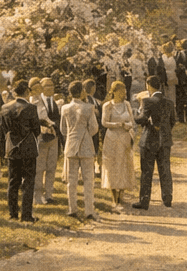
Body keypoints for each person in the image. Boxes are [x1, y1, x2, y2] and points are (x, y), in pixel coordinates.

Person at [132, 76, 176, 210]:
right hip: (165, 139)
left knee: (147, 171)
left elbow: (142, 119)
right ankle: (167, 198)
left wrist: (137, 114)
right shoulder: (169, 102)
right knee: (165, 170)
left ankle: (144, 200)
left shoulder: (147, 101)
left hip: (149, 138)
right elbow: (172, 121)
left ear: (149, 85)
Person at [1, 80, 40, 222]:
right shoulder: (31, 108)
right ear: (27, 92)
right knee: (28, 182)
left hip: (12, 147)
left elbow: (4, 128)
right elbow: (37, 130)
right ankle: (26, 215)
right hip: (28, 148)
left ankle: (12, 214)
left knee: (12, 181)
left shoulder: (5, 107)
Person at [61, 80, 101, 220]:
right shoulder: (89, 108)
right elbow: (94, 128)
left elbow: (63, 129)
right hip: (85, 145)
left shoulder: (65, 108)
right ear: (82, 91)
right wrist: (85, 134)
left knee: (71, 180)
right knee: (88, 180)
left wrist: (74, 135)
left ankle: (72, 209)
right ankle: (89, 210)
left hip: (71, 145)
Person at [100, 81, 137, 210]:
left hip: (124, 137)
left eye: (124, 92)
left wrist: (127, 126)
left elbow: (132, 121)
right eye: (120, 92)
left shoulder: (127, 105)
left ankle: (121, 194)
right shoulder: (107, 106)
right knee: (112, 165)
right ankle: (113, 195)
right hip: (112, 138)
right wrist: (118, 125)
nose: (123, 94)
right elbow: (104, 122)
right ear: (114, 92)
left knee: (123, 164)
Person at [33, 77, 62, 207]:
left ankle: (49, 195)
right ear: (42, 88)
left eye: (52, 85)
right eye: (47, 86)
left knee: (51, 167)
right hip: (41, 138)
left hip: (54, 138)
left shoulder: (57, 103)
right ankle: (37, 195)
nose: (50, 88)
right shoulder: (38, 102)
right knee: (39, 168)